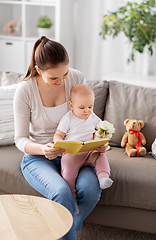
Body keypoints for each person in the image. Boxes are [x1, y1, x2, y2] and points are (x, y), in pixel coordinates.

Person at [13, 36, 108, 240]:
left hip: (76, 154)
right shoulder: (25, 91)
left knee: (91, 189)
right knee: (61, 192)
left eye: (65, 73)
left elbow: (88, 119)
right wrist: (43, 149)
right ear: (39, 70)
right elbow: (20, 139)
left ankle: (70, 225)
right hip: (38, 158)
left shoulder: (76, 78)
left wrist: (98, 141)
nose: (62, 81)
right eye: (54, 78)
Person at [54, 84, 113, 200]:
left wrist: (102, 143)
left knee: (100, 157)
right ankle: (71, 194)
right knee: (68, 171)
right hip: (73, 154)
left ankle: (103, 177)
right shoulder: (68, 118)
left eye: (90, 107)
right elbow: (58, 135)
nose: (87, 111)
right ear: (71, 105)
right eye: (82, 108)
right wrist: (59, 144)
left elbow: (101, 133)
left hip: (90, 151)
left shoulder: (93, 117)